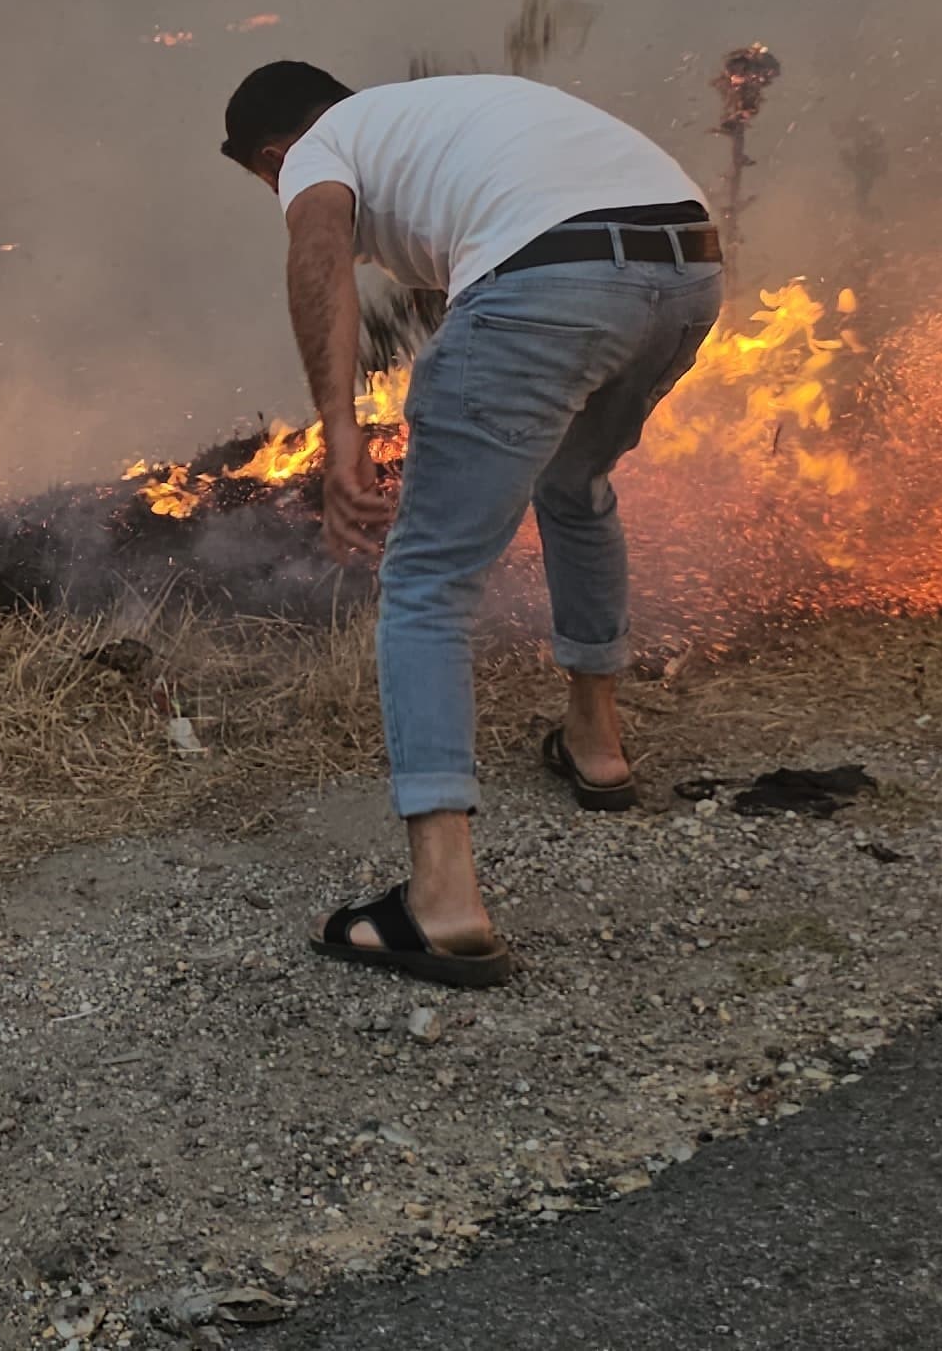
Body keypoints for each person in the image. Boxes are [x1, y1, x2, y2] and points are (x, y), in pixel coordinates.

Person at [221, 59, 723, 987]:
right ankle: (596, 745)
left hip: (554, 280)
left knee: (425, 582)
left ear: (272, 153)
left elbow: (319, 253)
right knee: (575, 486)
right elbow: (469, 258)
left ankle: (443, 901)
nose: (283, 193)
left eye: (270, 184)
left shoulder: (316, 151)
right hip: (685, 267)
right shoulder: (437, 116)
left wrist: (340, 434)